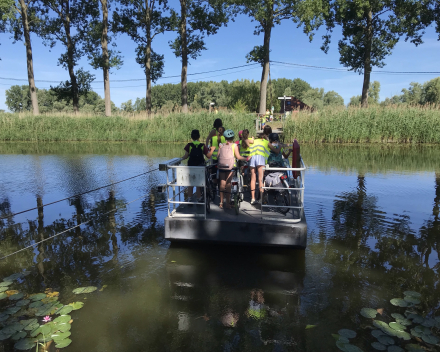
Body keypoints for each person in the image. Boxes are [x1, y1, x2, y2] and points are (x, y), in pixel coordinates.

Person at [248, 125, 279, 205]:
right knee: (261, 179)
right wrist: (281, 147)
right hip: (260, 159)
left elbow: (245, 140)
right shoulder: (266, 142)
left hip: (252, 158)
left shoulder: (253, 141)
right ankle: (261, 199)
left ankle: (253, 198)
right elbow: (275, 150)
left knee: (253, 179)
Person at [181, 129, 215, 202]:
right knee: (199, 183)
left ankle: (189, 198)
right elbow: (208, 156)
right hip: (200, 166)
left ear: (191, 137)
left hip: (191, 167)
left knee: (191, 183)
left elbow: (186, 156)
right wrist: (212, 150)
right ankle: (198, 198)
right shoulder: (202, 146)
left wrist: (180, 158)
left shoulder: (189, 145)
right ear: (199, 136)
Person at [217, 129, 247, 209]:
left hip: (221, 166)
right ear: (233, 137)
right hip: (231, 166)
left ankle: (221, 203)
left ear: (225, 137)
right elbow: (238, 157)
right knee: (228, 183)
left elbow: (217, 156)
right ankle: (227, 203)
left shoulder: (221, 145)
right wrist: (246, 158)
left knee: (222, 184)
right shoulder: (234, 145)